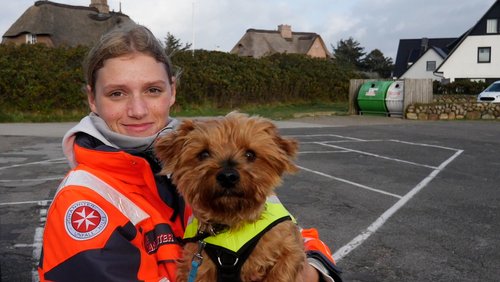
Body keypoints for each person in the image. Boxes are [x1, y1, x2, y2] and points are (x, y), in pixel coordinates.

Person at [37, 23, 341, 282]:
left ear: (173, 90)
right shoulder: (82, 201)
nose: (138, 110)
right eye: (117, 93)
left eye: (152, 90)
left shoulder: (202, 154)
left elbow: (296, 233)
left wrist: (310, 269)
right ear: (92, 99)